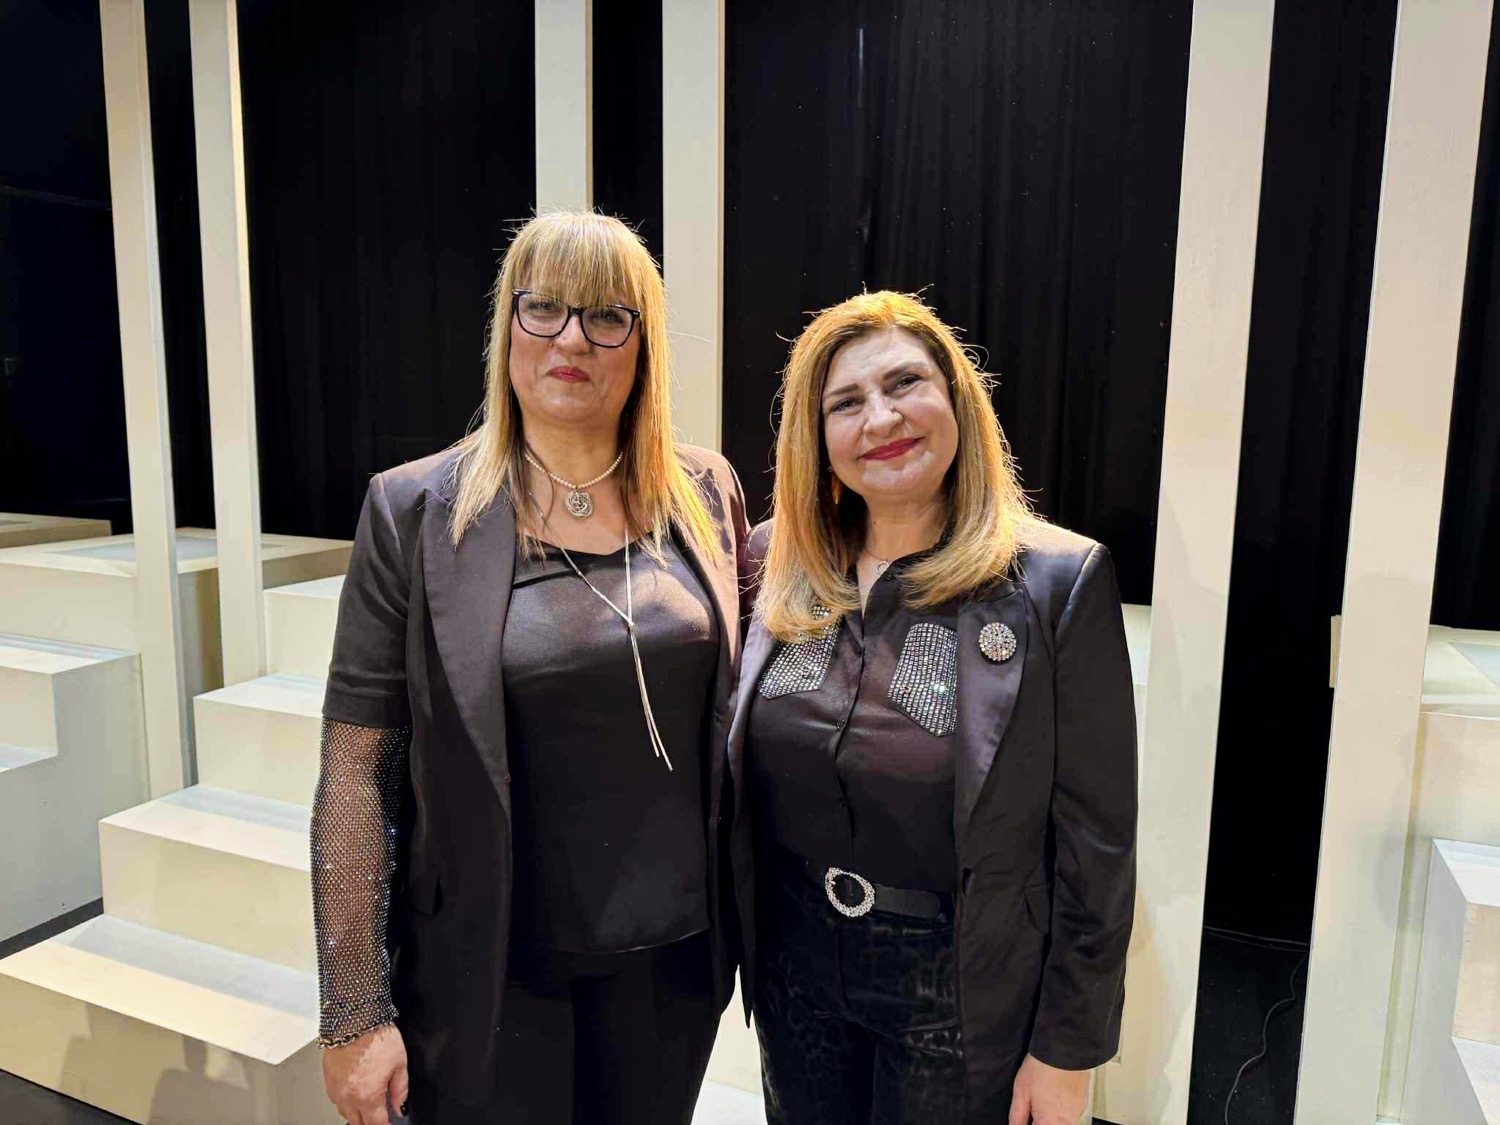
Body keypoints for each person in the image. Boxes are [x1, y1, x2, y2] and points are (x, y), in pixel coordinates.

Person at [311, 211, 751, 1125]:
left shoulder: (706, 490)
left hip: (672, 967)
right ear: (506, 326)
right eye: (542, 307)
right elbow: (356, 767)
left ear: (644, 344)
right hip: (491, 972)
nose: (571, 340)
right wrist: (354, 1008)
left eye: (607, 316)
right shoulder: (412, 511)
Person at [730, 291, 1137, 1123]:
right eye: (846, 402)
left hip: (957, 986)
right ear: (816, 437)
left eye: (904, 384)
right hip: (794, 966)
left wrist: (1067, 1049)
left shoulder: (1056, 583)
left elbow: (1097, 845)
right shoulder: (774, 562)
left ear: (956, 397)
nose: (881, 418)